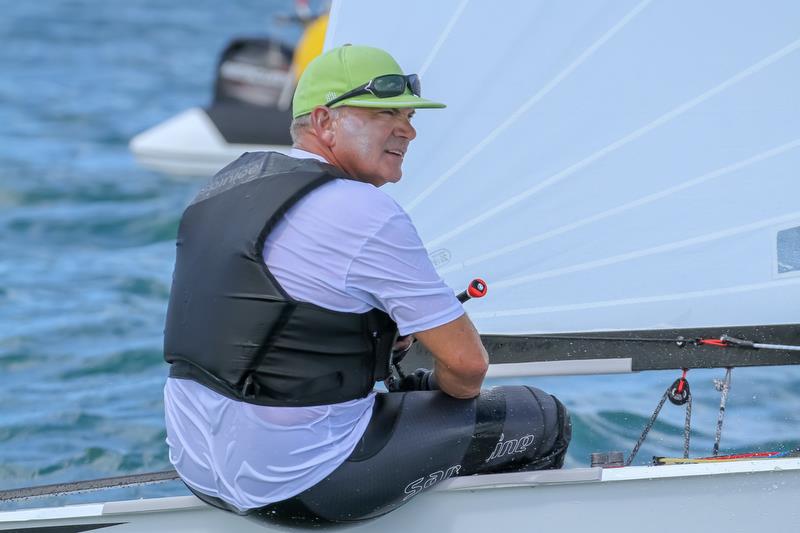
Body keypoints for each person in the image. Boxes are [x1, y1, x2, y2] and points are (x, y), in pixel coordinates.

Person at [163, 44, 571, 525]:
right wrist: (430, 386)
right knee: (541, 419)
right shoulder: (362, 210)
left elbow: (269, 324)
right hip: (298, 486)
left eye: (408, 116)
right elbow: (467, 369)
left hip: (195, 465)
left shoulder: (225, 185)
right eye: (384, 115)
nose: (409, 130)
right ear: (324, 121)